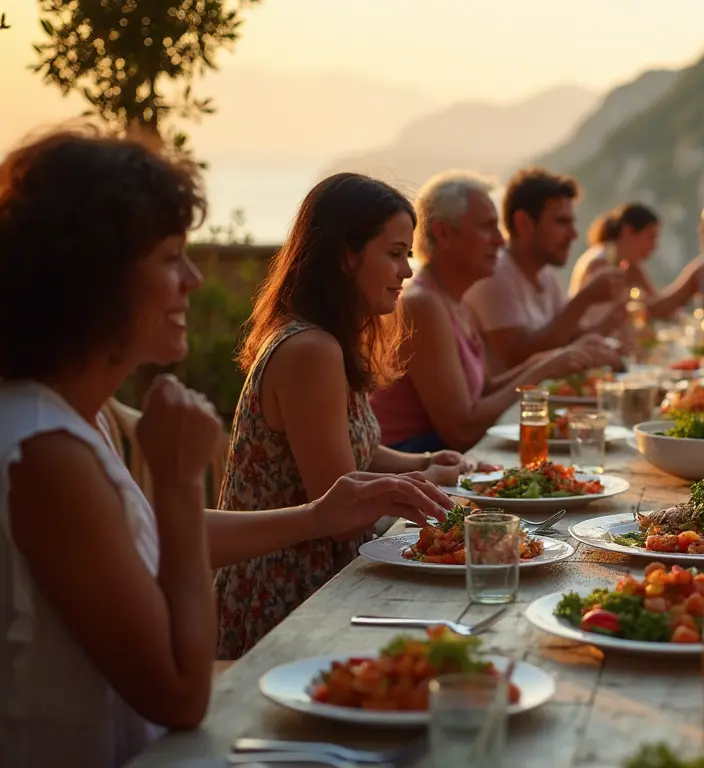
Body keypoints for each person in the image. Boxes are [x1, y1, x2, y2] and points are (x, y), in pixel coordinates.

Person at [0, 129, 451, 765]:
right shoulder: (43, 452)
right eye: (169, 258)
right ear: (92, 277)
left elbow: (144, 539)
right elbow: (180, 695)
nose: (192, 278)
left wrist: (320, 514)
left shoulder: (74, 416)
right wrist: (181, 480)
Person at [213, 172, 474, 660]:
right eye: (395, 253)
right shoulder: (310, 349)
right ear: (344, 256)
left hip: (328, 576)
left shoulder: (330, 339)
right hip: (288, 594)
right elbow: (340, 511)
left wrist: (422, 466)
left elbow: (359, 449)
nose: (409, 271)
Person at [372, 171, 620, 453]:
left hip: (443, 460)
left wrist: (552, 359)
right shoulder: (423, 304)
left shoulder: (454, 299)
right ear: (444, 233)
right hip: (412, 466)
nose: (500, 241)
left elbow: (484, 389)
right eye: (488, 228)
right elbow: (461, 431)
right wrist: (544, 368)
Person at [462, 167, 625, 369]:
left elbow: (569, 337)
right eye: (561, 222)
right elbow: (517, 357)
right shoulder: (495, 274)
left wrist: (614, 321)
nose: (573, 234)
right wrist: (584, 298)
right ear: (523, 223)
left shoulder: (545, 273)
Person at [569, 201, 704, 322]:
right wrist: (689, 282)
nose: (654, 246)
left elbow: (658, 305)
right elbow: (605, 322)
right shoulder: (600, 263)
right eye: (651, 237)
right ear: (627, 232)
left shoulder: (626, 265)